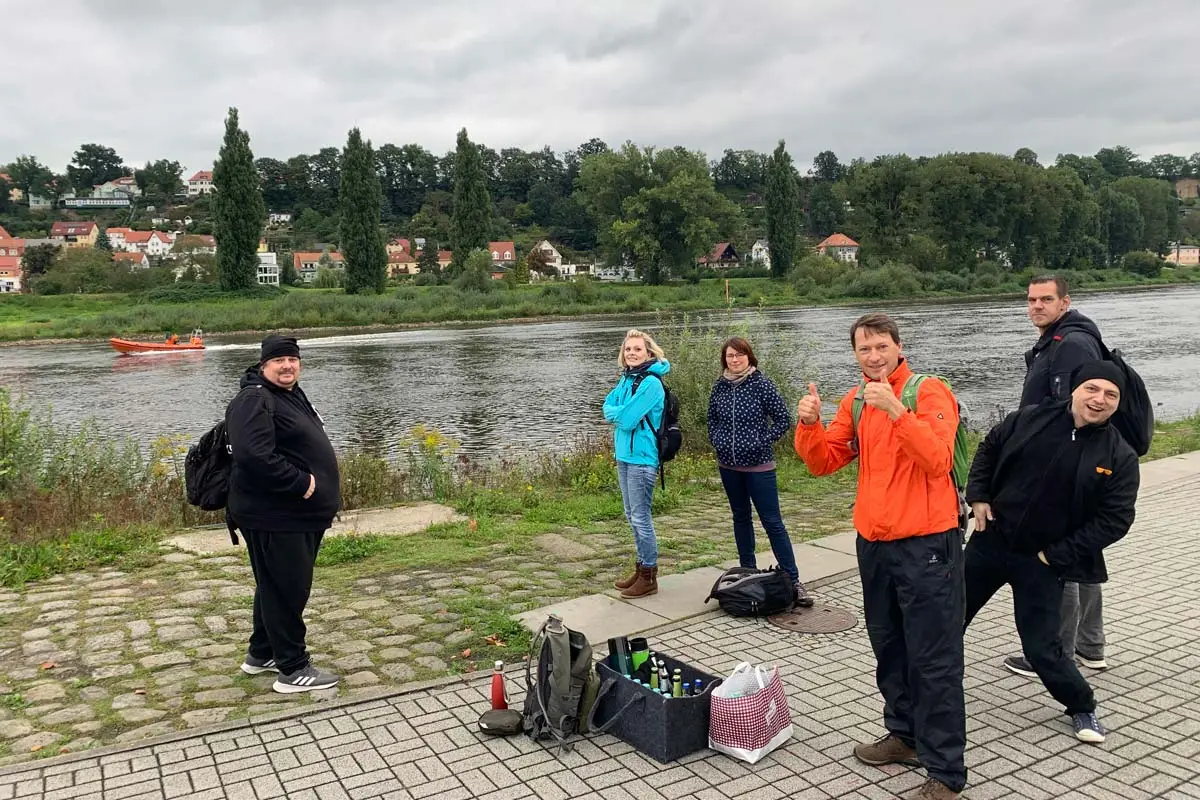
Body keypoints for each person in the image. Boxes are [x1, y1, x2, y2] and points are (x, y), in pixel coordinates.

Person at [794, 312, 966, 800]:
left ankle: (947, 774)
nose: (873, 357)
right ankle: (905, 736)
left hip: (927, 545)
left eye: (881, 347)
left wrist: (896, 410)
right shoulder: (855, 399)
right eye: (864, 350)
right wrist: (808, 424)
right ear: (855, 354)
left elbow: (936, 459)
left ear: (898, 347)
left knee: (934, 658)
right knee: (889, 647)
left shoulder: (927, 392)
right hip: (874, 543)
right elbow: (825, 462)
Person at [964, 361, 1138, 744]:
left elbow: (1116, 519)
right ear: (1074, 389)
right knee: (947, 618)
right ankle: (930, 687)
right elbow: (989, 448)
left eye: (1111, 395)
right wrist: (977, 496)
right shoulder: (1031, 418)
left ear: (1118, 403)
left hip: (1042, 560)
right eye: (1092, 388)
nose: (1099, 399)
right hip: (989, 543)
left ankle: (1082, 706)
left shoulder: (1118, 456)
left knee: (1042, 648)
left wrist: (1057, 555)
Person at [1005, 276, 1109, 679]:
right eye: (1031, 299)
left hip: (1065, 463)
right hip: (1078, 459)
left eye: (1046, 299)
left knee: (1059, 558)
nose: (1036, 306)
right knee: (1081, 553)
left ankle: (1055, 651)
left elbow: (1068, 409)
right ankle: (1090, 646)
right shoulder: (1062, 338)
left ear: (1065, 302)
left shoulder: (1071, 343)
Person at [226, 334, 342, 693]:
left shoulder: (287, 394)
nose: (288, 366)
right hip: (276, 514)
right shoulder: (254, 399)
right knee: (287, 589)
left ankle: (261, 654)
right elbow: (252, 455)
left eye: (292, 359)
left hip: (296, 515)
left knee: (274, 586)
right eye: (279, 361)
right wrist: (300, 484)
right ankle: (292, 668)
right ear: (264, 366)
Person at [707, 336, 813, 607]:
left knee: (772, 521)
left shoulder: (761, 385)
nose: (735, 360)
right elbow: (712, 419)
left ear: (749, 357)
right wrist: (717, 440)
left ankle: (793, 579)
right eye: (730, 356)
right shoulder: (720, 387)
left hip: (759, 466)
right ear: (724, 360)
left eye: (740, 355)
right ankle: (748, 573)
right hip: (728, 465)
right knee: (740, 518)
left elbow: (783, 419)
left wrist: (760, 441)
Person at [604, 329, 671, 599]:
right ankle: (641, 567)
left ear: (649, 353)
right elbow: (606, 407)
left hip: (643, 459)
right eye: (628, 349)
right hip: (624, 456)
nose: (631, 353)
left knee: (641, 518)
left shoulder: (651, 383)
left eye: (637, 349)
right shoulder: (626, 379)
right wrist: (619, 412)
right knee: (631, 515)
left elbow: (629, 420)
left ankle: (649, 576)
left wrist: (619, 414)